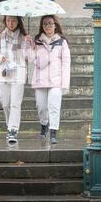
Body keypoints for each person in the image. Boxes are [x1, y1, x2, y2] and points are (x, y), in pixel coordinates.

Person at [27, 15, 71, 144]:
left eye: (50, 23)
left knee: (54, 106)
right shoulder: (37, 41)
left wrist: (65, 83)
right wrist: (30, 46)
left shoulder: (61, 42)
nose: (48, 26)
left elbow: (66, 63)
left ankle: (53, 132)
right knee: (41, 107)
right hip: (40, 79)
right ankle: (44, 125)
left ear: (55, 25)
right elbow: (30, 59)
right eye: (45, 24)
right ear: (42, 26)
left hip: (56, 80)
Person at [0, 16, 30, 144]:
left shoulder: (24, 38)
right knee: (6, 103)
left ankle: (13, 130)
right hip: (3, 73)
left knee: (15, 104)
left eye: (13, 20)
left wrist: (30, 44)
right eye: (8, 20)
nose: (10, 23)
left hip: (18, 73)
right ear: (5, 22)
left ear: (18, 22)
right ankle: (9, 126)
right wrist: (0, 57)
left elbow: (30, 57)